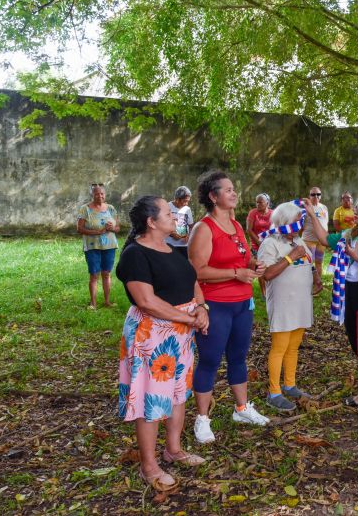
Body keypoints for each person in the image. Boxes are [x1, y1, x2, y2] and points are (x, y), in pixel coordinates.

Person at [116, 195, 210, 492]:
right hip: (152, 335)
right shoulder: (134, 255)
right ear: (151, 222)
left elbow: (193, 283)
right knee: (152, 398)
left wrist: (201, 308)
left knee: (178, 393)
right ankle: (149, 466)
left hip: (181, 335)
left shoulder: (175, 249)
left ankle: (173, 450)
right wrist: (188, 319)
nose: (175, 216)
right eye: (168, 213)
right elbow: (146, 301)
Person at [188, 171, 270, 444]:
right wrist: (235, 273)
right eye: (228, 190)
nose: (234, 193)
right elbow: (196, 271)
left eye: (234, 189)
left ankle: (242, 408)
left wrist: (253, 265)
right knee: (210, 360)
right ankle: (202, 419)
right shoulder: (204, 229)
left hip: (242, 304)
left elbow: (243, 259)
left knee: (238, 357)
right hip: (215, 305)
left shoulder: (235, 225)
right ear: (213, 197)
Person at [303, 193, 358, 421]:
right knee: (357, 342)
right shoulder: (350, 234)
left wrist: (357, 257)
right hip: (350, 293)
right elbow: (324, 239)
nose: (356, 212)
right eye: (356, 208)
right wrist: (312, 214)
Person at [259, 202, 323, 411]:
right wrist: (290, 256)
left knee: (293, 347)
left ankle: (290, 384)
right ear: (284, 222)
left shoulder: (298, 240)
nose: (300, 225)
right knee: (279, 348)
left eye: (301, 221)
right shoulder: (270, 243)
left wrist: (315, 277)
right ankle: (274, 392)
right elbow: (267, 274)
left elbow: (309, 263)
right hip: (283, 304)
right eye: (296, 221)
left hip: (301, 302)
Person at [77, 183, 121, 309]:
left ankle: (107, 301)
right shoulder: (85, 209)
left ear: (105, 194)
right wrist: (97, 232)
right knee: (94, 274)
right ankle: (93, 303)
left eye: (102, 193)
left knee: (106, 273)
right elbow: (79, 229)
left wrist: (112, 228)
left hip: (109, 246)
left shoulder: (111, 208)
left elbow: (118, 228)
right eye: (97, 194)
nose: (100, 196)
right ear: (92, 195)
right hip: (92, 246)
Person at [246, 193, 272, 297]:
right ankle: (263, 292)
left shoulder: (273, 213)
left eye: (260, 202)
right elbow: (249, 230)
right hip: (257, 245)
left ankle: (271, 289)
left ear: (267, 203)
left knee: (270, 266)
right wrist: (260, 243)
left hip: (270, 244)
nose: (258, 204)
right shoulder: (253, 213)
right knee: (260, 268)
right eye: (256, 202)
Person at [301, 186, 329, 274]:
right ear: (309, 196)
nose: (316, 196)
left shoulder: (324, 207)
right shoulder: (305, 208)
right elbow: (300, 225)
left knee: (319, 263)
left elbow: (325, 223)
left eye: (318, 194)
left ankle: (318, 281)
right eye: (313, 194)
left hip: (321, 242)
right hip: (308, 240)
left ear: (321, 195)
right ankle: (308, 281)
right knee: (308, 264)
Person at [166, 186, 194, 258]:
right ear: (177, 199)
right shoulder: (166, 207)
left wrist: (189, 236)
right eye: (185, 201)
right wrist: (171, 233)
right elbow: (160, 225)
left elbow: (191, 226)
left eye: (188, 201)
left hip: (184, 246)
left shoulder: (187, 209)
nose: (186, 204)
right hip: (169, 245)